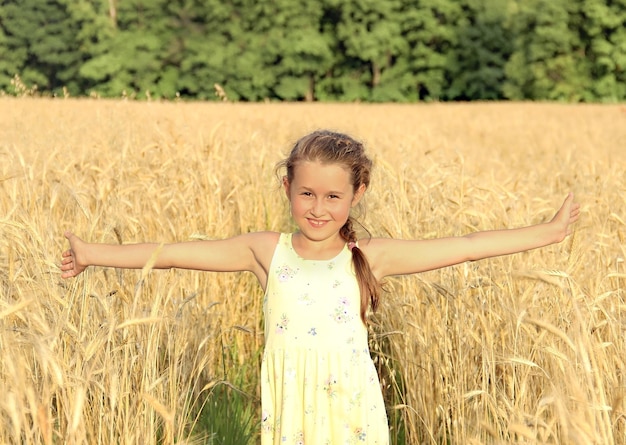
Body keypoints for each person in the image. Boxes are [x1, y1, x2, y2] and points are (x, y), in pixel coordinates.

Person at [61, 130, 580, 444]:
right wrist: (91, 254)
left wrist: (549, 233)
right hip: (291, 415)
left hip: (353, 413)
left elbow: (466, 244)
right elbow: (171, 255)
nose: (318, 207)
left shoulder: (369, 258)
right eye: (306, 192)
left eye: (333, 195)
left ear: (358, 193)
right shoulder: (267, 252)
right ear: (287, 187)